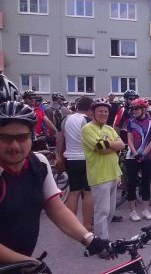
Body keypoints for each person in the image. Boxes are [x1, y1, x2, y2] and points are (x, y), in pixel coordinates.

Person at [0, 97, 111, 267]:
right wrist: (27, 262)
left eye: (22, 137)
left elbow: (56, 208)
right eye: (6, 138)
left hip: (20, 263)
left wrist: (90, 239)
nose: (14, 145)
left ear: (32, 136)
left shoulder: (39, 164)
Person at [82, 98, 125, 239]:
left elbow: (122, 145)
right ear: (93, 112)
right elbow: (99, 148)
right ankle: (102, 243)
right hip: (99, 176)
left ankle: (102, 237)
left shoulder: (109, 128)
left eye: (106, 111)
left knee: (111, 212)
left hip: (114, 174)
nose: (104, 113)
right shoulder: (87, 129)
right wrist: (114, 146)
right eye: (100, 111)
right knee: (102, 212)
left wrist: (109, 145)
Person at [55, 96, 94, 231]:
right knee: (88, 192)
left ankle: (71, 226)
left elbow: (59, 140)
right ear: (89, 108)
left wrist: (59, 155)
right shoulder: (88, 120)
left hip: (70, 159)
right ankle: (87, 225)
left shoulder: (66, 118)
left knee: (74, 192)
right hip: (86, 159)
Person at [125, 98, 151, 221]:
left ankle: (145, 210)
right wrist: (135, 153)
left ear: (144, 109)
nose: (134, 111)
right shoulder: (130, 122)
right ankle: (132, 211)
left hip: (147, 156)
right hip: (132, 156)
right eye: (132, 109)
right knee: (132, 183)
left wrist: (143, 154)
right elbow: (129, 140)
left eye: (136, 108)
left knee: (146, 182)